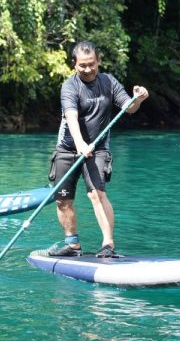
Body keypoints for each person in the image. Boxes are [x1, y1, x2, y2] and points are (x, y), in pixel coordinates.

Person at [47, 41, 148, 257]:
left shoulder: (108, 82)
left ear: (98, 61)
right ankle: (73, 245)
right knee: (63, 200)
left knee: (97, 194)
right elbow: (71, 118)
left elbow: (128, 108)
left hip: (98, 148)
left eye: (91, 64)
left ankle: (108, 245)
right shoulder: (69, 87)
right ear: (74, 64)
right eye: (82, 65)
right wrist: (80, 144)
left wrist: (138, 99)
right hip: (67, 148)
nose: (87, 69)